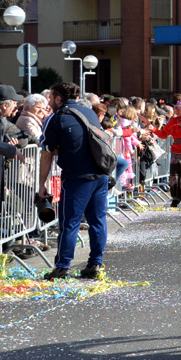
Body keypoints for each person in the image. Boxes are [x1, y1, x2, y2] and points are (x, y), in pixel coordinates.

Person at [38, 82, 110, 281]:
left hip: (77, 177)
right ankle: (95, 264)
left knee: (70, 223)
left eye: (51, 98)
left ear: (59, 99)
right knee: (97, 221)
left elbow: (47, 153)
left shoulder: (56, 118)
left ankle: (62, 266)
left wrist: (41, 184)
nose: (49, 102)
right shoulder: (90, 113)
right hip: (100, 174)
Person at [154, 98, 181, 208]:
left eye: (178, 108)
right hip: (176, 151)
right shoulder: (173, 121)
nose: (176, 110)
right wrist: (153, 129)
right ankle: (176, 199)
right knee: (175, 176)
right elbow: (163, 134)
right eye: (175, 107)